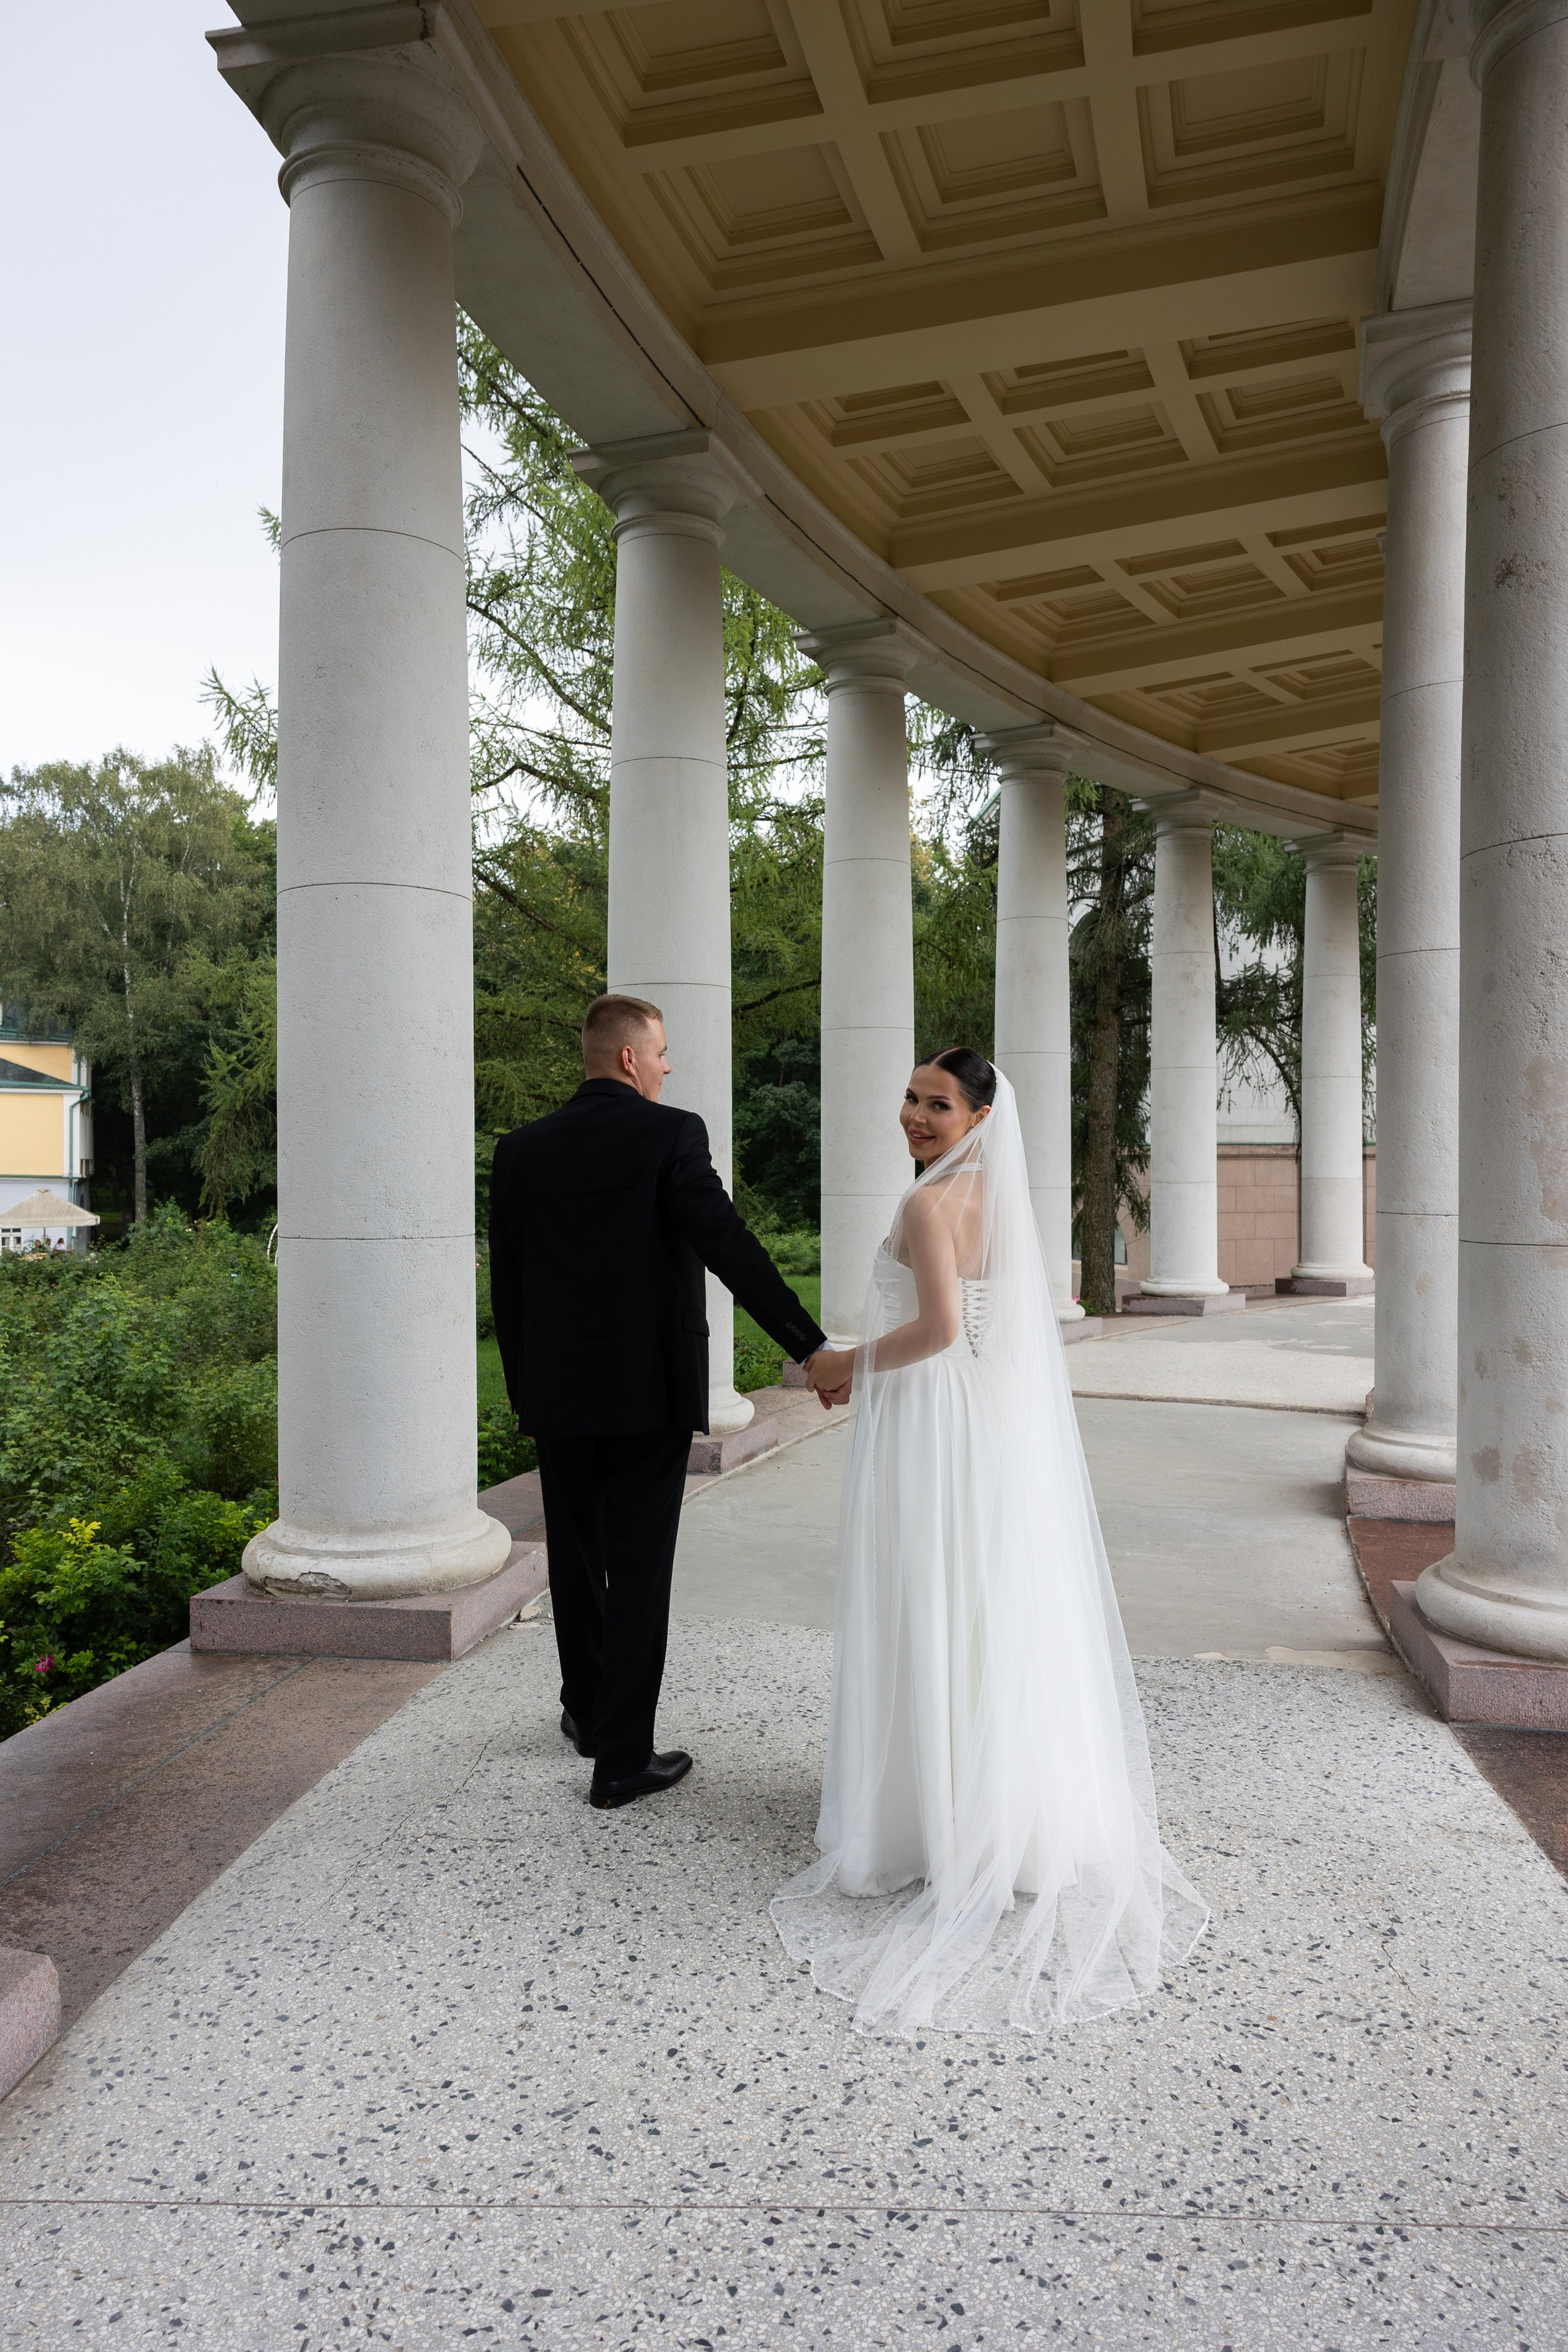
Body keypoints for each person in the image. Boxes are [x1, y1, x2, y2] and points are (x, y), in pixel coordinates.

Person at [775, 1048, 1208, 2037]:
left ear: (977, 1117)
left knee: (931, 1600)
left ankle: (933, 1820)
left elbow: (936, 1331)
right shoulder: (999, 1206)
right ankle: (1001, 1818)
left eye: (938, 1104)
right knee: (980, 1607)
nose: (916, 1116)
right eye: (912, 1097)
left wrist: (843, 1361)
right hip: (983, 1431)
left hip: (930, 1422)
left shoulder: (932, 1208)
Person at [489, 993, 831, 1812]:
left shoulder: (520, 1151)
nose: (670, 1065)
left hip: (559, 1393)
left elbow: (509, 1285)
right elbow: (728, 1245)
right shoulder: (672, 1134)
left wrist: (526, 1388)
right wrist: (808, 1346)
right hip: (648, 1394)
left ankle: (585, 1712)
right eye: (665, 1052)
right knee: (639, 1570)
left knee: (575, 1558)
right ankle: (623, 1761)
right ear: (631, 1060)